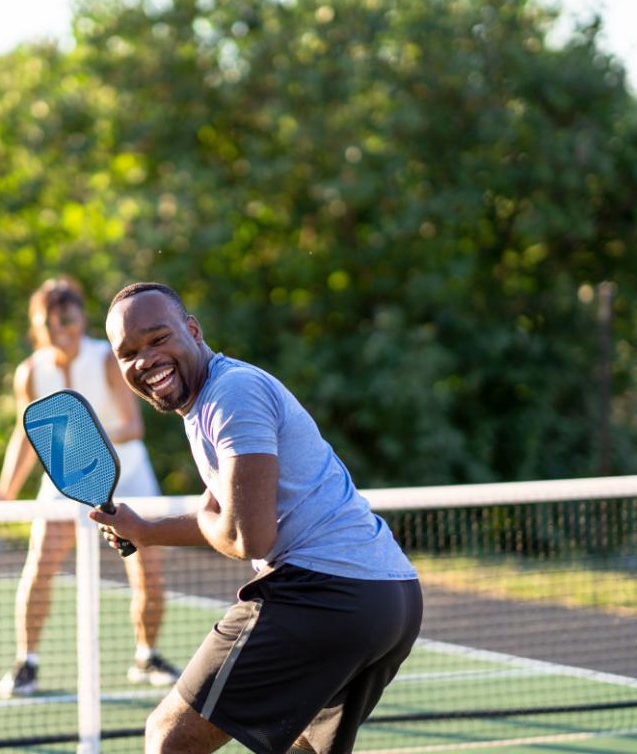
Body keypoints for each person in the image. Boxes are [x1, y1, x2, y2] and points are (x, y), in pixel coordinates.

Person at [92, 282, 422, 754]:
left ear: (193, 330)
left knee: (168, 738)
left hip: (325, 592)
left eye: (158, 338)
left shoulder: (232, 394)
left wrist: (207, 521)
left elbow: (248, 536)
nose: (144, 359)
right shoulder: (212, 399)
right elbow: (223, 512)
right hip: (389, 597)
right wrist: (144, 531)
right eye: (128, 353)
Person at [0, 276, 180, 698]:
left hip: (129, 476)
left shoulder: (107, 359)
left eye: (68, 320)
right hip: (64, 482)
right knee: (40, 564)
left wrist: (85, 442)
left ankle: (146, 656)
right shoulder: (30, 372)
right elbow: (25, 434)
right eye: (50, 323)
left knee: (147, 571)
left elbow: (132, 425)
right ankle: (27, 662)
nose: (62, 330)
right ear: (37, 327)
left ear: (81, 319)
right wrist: (5, 490)